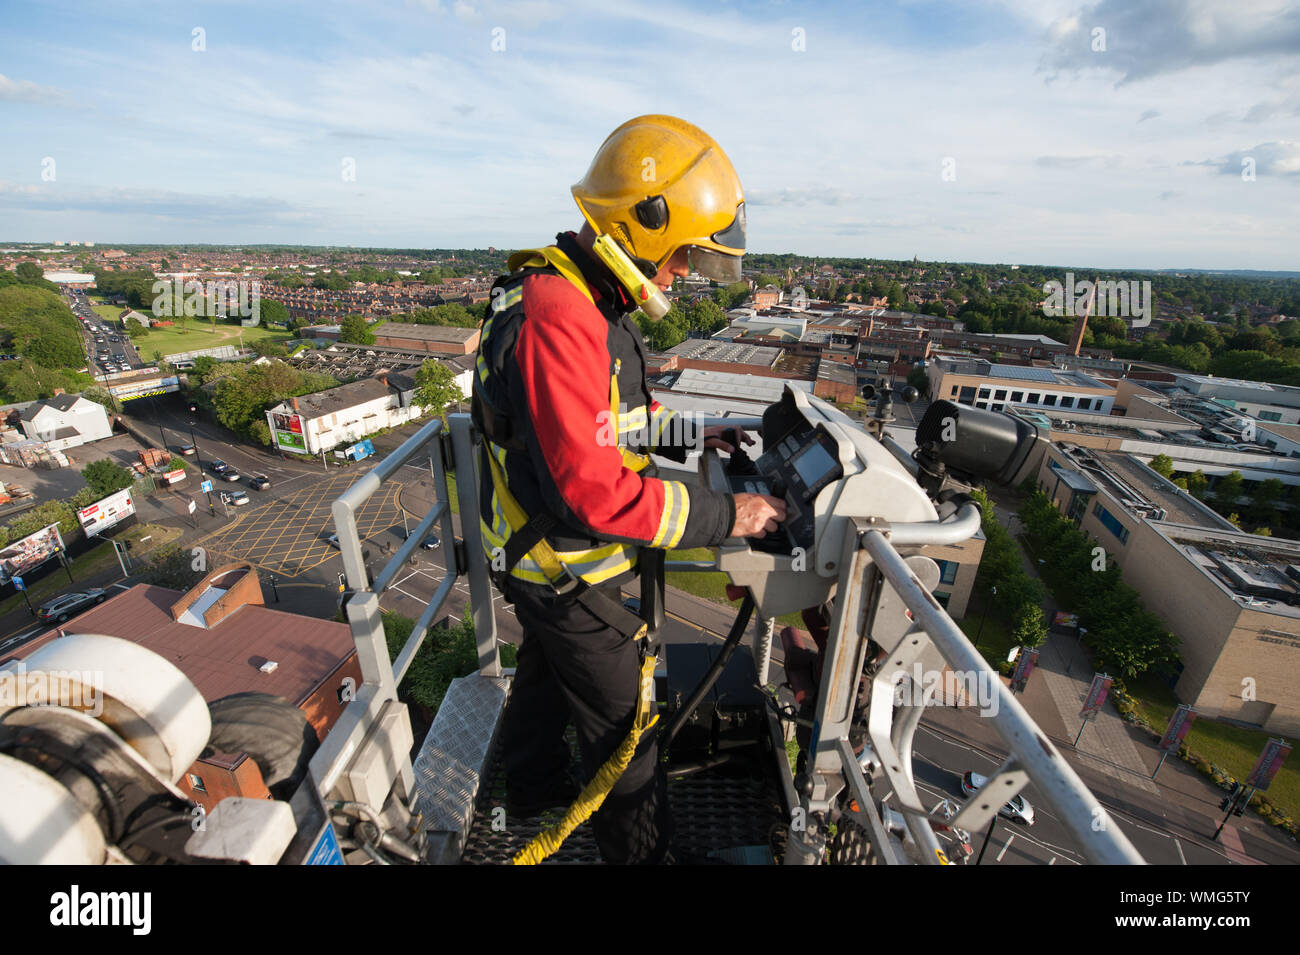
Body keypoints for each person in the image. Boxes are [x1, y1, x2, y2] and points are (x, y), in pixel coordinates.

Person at [471, 115, 786, 864]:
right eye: (683, 255)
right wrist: (729, 515)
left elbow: (616, 425)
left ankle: (534, 798)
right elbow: (595, 491)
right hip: (564, 568)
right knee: (629, 739)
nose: (681, 273)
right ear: (644, 229)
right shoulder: (563, 319)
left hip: (537, 558)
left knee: (546, 683)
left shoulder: (578, 298)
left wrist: (697, 437)